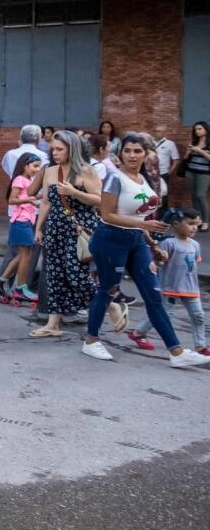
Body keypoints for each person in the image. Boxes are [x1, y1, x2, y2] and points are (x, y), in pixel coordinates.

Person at [82, 137, 210, 367]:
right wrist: (144, 227)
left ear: (146, 154)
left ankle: (177, 352)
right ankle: (91, 340)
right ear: (120, 154)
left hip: (137, 240)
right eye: (127, 151)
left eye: (137, 151)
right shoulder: (114, 178)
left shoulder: (142, 179)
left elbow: (140, 216)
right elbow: (107, 214)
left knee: (153, 295)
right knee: (108, 289)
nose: (132, 155)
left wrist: (152, 244)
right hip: (111, 238)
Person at [28, 130, 103, 339]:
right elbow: (45, 202)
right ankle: (53, 323)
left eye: (60, 149)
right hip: (54, 228)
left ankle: (110, 305)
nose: (54, 153)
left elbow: (100, 200)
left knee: (76, 274)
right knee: (53, 275)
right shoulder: (50, 171)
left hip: (78, 228)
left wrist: (75, 192)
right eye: (53, 149)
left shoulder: (86, 171)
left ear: (72, 149)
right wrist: (39, 228)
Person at [127, 208, 208, 356]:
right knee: (163, 316)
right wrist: (155, 264)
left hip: (191, 289)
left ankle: (200, 346)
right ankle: (138, 332)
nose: (194, 227)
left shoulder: (195, 245)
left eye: (196, 224)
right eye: (190, 224)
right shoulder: (168, 243)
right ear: (176, 224)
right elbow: (158, 262)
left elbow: (192, 266)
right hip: (170, 288)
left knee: (198, 315)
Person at [0, 153, 42, 302]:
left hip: (26, 221)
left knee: (22, 255)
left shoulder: (28, 180)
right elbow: (12, 200)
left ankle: (1, 280)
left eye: (39, 166)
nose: (37, 170)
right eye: (35, 166)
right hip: (20, 221)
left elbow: (28, 198)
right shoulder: (19, 179)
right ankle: (21, 287)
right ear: (25, 165)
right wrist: (29, 199)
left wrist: (38, 198)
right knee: (25, 256)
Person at [182, 121, 210, 231]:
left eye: (200, 129)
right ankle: (197, 220)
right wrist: (188, 151)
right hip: (190, 172)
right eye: (195, 129)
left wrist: (200, 151)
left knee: (200, 196)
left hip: (204, 173)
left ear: (206, 130)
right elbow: (185, 159)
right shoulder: (194, 142)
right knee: (193, 196)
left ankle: (206, 222)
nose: (197, 131)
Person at [155, 132, 180, 211]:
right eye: (155, 131)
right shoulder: (150, 143)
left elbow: (176, 159)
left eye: (159, 131)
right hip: (151, 173)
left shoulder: (170, 144)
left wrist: (169, 172)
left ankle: (163, 215)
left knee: (163, 195)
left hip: (163, 173)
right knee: (151, 194)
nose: (157, 133)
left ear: (164, 132)